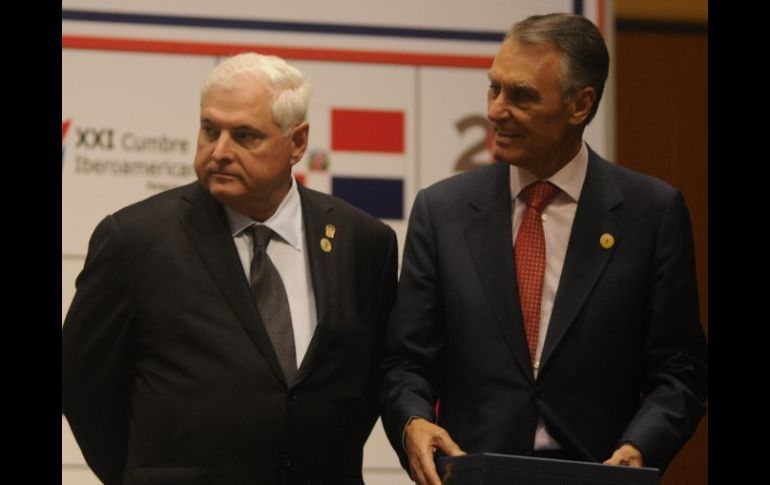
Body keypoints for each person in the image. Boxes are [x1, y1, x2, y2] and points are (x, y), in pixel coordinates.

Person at [380, 13, 707, 485]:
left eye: (521, 96)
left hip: (598, 474)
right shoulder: (443, 210)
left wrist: (640, 447)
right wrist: (412, 421)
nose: (495, 110)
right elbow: (406, 362)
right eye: (494, 88)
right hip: (473, 472)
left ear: (580, 105)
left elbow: (681, 370)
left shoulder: (651, 214)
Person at [62, 52, 398, 484]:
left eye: (244, 136)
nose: (219, 151)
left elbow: (371, 380)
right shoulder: (134, 239)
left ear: (297, 143)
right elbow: (82, 383)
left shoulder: (364, 241)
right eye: (209, 130)